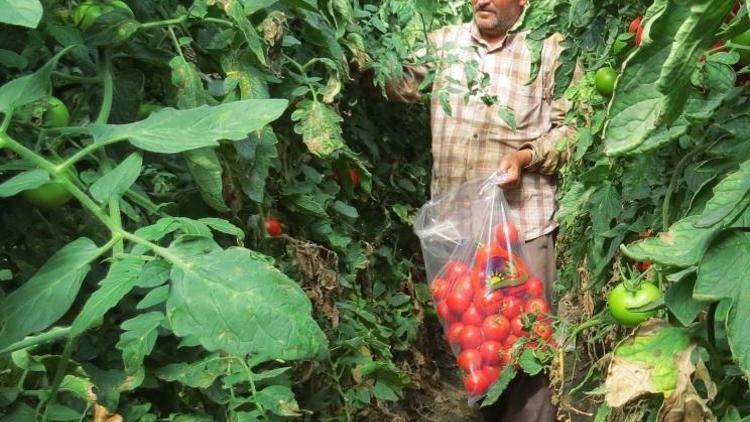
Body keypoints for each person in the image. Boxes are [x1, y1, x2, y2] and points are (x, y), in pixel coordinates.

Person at [383, 0, 580, 420]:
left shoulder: (549, 51)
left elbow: (572, 131)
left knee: (528, 347)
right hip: (458, 232)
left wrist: (525, 157)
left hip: (522, 228)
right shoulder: (443, 45)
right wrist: (368, 53)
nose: (482, 0)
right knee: (477, 350)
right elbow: (397, 85)